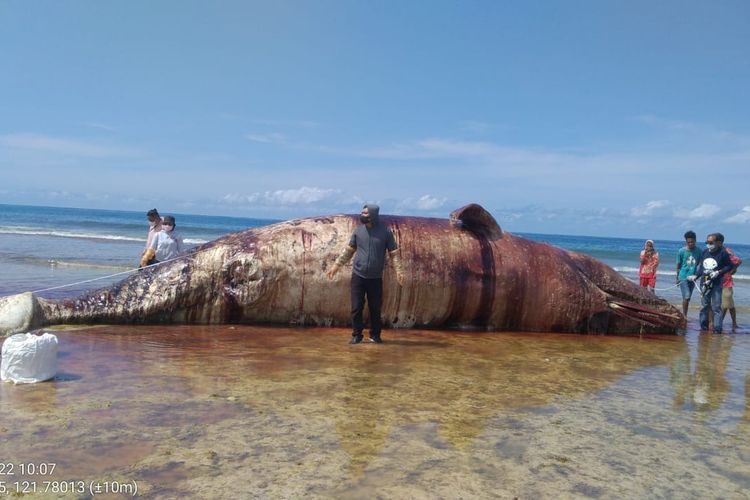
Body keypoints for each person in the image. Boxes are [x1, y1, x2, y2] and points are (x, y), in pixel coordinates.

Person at [327, 204, 405, 344]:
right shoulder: (358, 231)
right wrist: (336, 265)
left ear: (373, 215)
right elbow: (349, 251)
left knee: (375, 308)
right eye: (362, 213)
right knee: (356, 307)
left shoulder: (385, 232)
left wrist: (399, 270)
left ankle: (375, 335)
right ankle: (357, 334)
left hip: (375, 278)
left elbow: (394, 254)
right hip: (358, 276)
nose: (362, 215)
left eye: (365, 213)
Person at [687, 233, 734, 334]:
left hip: (717, 283)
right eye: (707, 242)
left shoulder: (723, 253)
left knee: (716, 307)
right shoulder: (704, 252)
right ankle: (703, 327)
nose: (708, 244)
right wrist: (696, 276)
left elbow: (729, 266)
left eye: (711, 242)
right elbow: (702, 268)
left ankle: (717, 329)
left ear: (718, 243)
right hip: (705, 283)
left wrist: (718, 272)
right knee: (704, 305)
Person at [717, 236, 742, 331]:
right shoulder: (715, 251)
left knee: (725, 305)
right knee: (730, 305)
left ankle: (720, 323)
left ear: (720, 242)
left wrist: (733, 270)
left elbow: (738, 260)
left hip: (727, 282)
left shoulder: (726, 251)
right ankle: (734, 323)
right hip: (718, 282)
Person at [675, 230, 702, 317]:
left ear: (695, 241)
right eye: (689, 242)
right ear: (686, 241)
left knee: (688, 297)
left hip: (693, 277)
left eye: (692, 242)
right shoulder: (681, 251)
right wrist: (677, 278)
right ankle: (685, 316)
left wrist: (697, 275)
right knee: (686, 296)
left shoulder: (699, 251)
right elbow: (678, 265)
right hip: (683, 276)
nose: (691, 244)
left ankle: (684, 314)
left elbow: (700, 264)